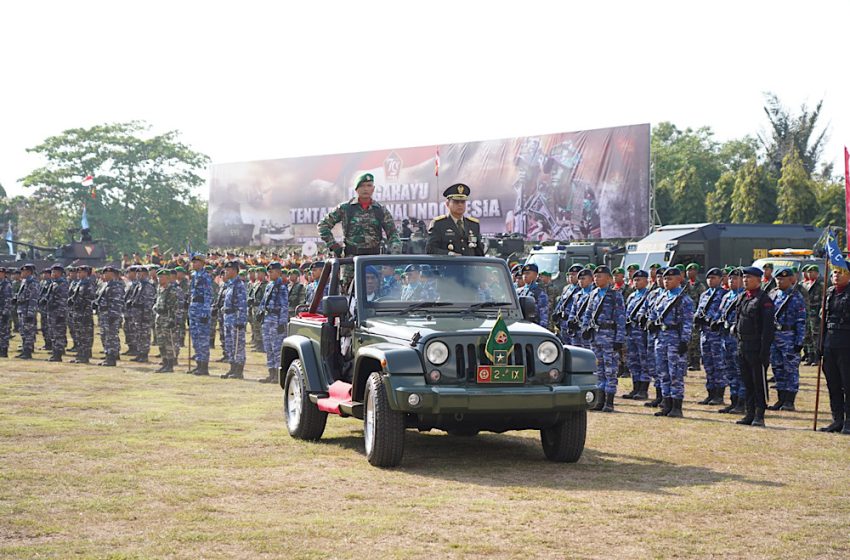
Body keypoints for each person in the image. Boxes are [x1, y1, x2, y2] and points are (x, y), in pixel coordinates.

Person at [647, 267, 694, 418]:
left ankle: (677, 406)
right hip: (661, 338)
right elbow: (653, 314)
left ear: (679, 280)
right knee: (663, 373)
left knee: (675, 374)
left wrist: (684, 341)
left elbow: (687, 322)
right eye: (665, 279)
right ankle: (666, 404)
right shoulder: (661, 297)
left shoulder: (684, 299)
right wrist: (651, 323)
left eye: (670, 279)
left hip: (675, 338)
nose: (666, 281)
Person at [318, 173, 401, 258]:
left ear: (373, 189)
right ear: (356, 189)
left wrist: (394, 253)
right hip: (350, 262)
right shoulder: (345, 208)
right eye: (362, 186)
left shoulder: (380, 210)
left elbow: (393, 233)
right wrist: (333, 245)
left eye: (369, 185)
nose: (365, 189)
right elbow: (323, 225)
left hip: (373, 260)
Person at [734, 267, 775, 427]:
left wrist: (764, 351)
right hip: (742, 345)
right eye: (744, 277)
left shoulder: (764, 300)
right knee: (747, 381)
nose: (745, 280)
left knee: (759, 383)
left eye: (749, 277)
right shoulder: (743, 297)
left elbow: (768, 328)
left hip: (756, 346)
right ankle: (749, 412)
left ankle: (759, 414)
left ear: (759, 280)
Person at [581, 266, 626, 412]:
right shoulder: (593, 293)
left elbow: (620, 318)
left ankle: (610, 402)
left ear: (608, 278)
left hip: (609, 336)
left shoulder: (615, 295)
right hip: (595, 335)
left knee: (610, 369)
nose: (596, 279)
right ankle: (599, 401)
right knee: (598, 369)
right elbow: (588, 313)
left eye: (600, 276)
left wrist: (619, 339)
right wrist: (585, 328)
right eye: (595, 276)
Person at [767, 267, 806, 412]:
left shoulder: (796, 297)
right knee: (777, 369)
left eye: (782, 278)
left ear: (791, 280)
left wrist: (799, 341)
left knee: (790, 369)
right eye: (777, 278)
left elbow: (801, 321)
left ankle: (789, 400)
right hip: (774, 337)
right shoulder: (773, 295)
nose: (779, 281)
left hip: (789, 336)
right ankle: (780, 398)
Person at [819, 265, 850, 434]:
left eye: (841, 272)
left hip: (847, 343)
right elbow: (822, 320)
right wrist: (820, 345)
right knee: (833, 383)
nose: (836, 275)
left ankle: (849, 421)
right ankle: (837, 419)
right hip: (830, 342)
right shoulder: (829, 292)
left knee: (848, 384)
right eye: (834, 273)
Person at [714, 268, 746, 414]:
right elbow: (721, 314)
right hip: (725, 339)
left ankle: (742, 401)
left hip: (738, 339)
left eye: (736, 278)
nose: (732, 281)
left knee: (741, 372)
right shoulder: (726, 296)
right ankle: (733, 400)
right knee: (730, 371)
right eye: (731, 278)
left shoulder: (745, 296)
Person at [694, 268, 727, 405]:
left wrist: (710, 320)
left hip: (717, 335)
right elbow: (698, 311)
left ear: (720, 279)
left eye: (714, 278)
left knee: (718, 365)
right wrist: (697, 318)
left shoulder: (724, 295)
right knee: (708, 364)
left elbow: (723, 313)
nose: (711, 280)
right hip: (705, 334)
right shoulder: (705, 295)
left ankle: (719, 394)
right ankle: (710, 393)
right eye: (709, 278)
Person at [426, 183, 485, 256]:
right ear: (447, 204)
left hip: (469, 265)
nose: (460, 205)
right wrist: (449, 254)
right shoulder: (439, 224)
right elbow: (430, 249)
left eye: (463, 202)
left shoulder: (473, 225)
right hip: (448, 265)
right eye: (456, 202)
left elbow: (479, 251)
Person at [622, 269, 651, 400]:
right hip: (631, 332)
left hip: (642, 332)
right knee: (632, 360)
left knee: (643, 360)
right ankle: (635, 387)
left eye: (639, 280)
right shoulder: (632, 296)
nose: (636, 282)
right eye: (635, 280)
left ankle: (643, 389)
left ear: (646, 281)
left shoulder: (650, 295)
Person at [259, 262, 289, 384]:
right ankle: (271, 373)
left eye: (272, 272)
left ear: (279, 272)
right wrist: (260, 312)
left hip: (276, 320)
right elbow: (264, 301)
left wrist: (282, 323)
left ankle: (278, 375)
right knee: (268, 347)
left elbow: (284, 306)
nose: (270, 274)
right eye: (269, 272)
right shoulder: (269, 285)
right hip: (267, 319)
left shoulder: (281, 287)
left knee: (277, 349)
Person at [221, 261, 248, 380]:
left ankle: (238, 371)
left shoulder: (239, 285)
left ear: (234, 271)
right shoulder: (230, 285)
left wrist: (240, 321)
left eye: (228, 270)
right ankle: (232, 368)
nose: (226, 272)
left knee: (238, 345)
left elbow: (242, 305)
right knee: (230, 345)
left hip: (235, 319)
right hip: (228, 318)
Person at [187, 254, 213, 375]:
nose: (194, 264)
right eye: (193, 262)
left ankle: (204, 366)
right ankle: (198, 363)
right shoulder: (194, 276)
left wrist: (205, 313)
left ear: (202, 263)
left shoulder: (205, 277)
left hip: (201, 310)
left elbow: (208, 295)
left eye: (196, 262)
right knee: (195, 338)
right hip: (194, 310)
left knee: (202, 339)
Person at [95, 266, 125, 367]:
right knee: (104, 336)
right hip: (104, 314)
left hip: (111, 315)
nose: (105, 275)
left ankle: (111, 358)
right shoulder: (105, 285)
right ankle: (108, 355)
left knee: (111, 337)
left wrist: (113, 315)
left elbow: (117, 302)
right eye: (104, 273)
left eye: (108, 273)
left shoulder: (115, 286)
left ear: (112, 274)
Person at [153, 268, 180, 373]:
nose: (160, 279)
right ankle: (164, 363)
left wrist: (173, 320)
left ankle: (170, 365)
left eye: (162, 277)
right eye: (159, 277)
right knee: (160, 342)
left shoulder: (172, 290)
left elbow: (176, 307)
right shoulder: (159, 289)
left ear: (168, 278)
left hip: (168, 318)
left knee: (169, 342)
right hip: (159, 317)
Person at [69, 265, 96, 364]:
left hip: (84, 314)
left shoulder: (89, 284)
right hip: (77, 313)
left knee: (85, 336)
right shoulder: (79, 284)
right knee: (79, 335)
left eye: (81, 272)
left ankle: (84, 356)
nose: (78, 274)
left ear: (86, 273)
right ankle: (80, 354)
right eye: (78, 272)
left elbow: (89, 301)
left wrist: (85, 314)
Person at [45, 264, 69, 362]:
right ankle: (55, 352)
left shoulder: (62, 284)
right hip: (52, 312)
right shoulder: (54, 283)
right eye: (52, 272)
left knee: (58, 333)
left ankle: (58, 354)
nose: (53, 274)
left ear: (60, 273)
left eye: (55, 272)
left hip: (58, 313)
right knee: (53, 333)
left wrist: (60, 314)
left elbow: (63, 301)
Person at [684, 263, 706, 371]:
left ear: (696, 272)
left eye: (692, 271)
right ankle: (689, 361)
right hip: (686, 315)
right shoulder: (685, 285)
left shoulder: (700, 286)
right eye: (688, 271)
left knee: (695, 339)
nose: (689, 273)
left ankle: (695, 362)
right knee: (688, 338)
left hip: (695, 315)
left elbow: (702, 301)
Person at [15, 264, 39, 360]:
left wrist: (30, 313)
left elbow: (33, 299)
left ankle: (28, 352)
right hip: (22, 309)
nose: (22, 273)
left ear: (29, 272)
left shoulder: (33, 283)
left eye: (24, 271)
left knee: (28, 332)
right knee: (23, 332)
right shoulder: (25, 282)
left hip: (27, 311)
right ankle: (25, 350)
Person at [802, 264, 823, 366]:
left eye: (812, 272)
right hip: (807, 314)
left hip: (816, 316)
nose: (810, 274)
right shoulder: (805, 285)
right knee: (808, 336)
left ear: (817, 273)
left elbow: (823, 300)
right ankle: (809, 356)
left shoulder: (821, 285)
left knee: (816, 337)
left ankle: (817, 357)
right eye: (808, 272)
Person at [517, 263, 549, 328]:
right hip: (519, 325)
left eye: (528, 273)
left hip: (533, 326)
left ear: (535, 275)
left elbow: (543, 314)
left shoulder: (540, 293)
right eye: (524, 273)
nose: (525, 276)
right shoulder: (518, 291)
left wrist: (541, 329)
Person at [0, 267, 11, 358]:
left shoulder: (6, 285)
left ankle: (4, 350)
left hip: (3, 311)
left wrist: (5, 312)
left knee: (4, 332)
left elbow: (8, 299)